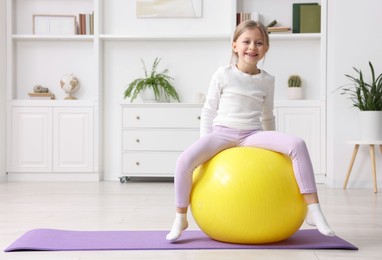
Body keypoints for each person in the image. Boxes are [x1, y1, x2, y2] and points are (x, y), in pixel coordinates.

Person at [166, 20, 335, 242]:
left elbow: (267, 115)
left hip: (252, 135)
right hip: (221, 133)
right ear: (235, 45)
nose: (252, 47)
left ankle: (314, 210)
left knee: (297, 144)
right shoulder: (223, 74)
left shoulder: (267, 80)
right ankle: (180, 217)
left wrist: (274, 150)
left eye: (259, 43)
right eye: (246, 41)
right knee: (184, 161)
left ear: (266, 48)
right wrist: (205, 142)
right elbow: (208, 110)